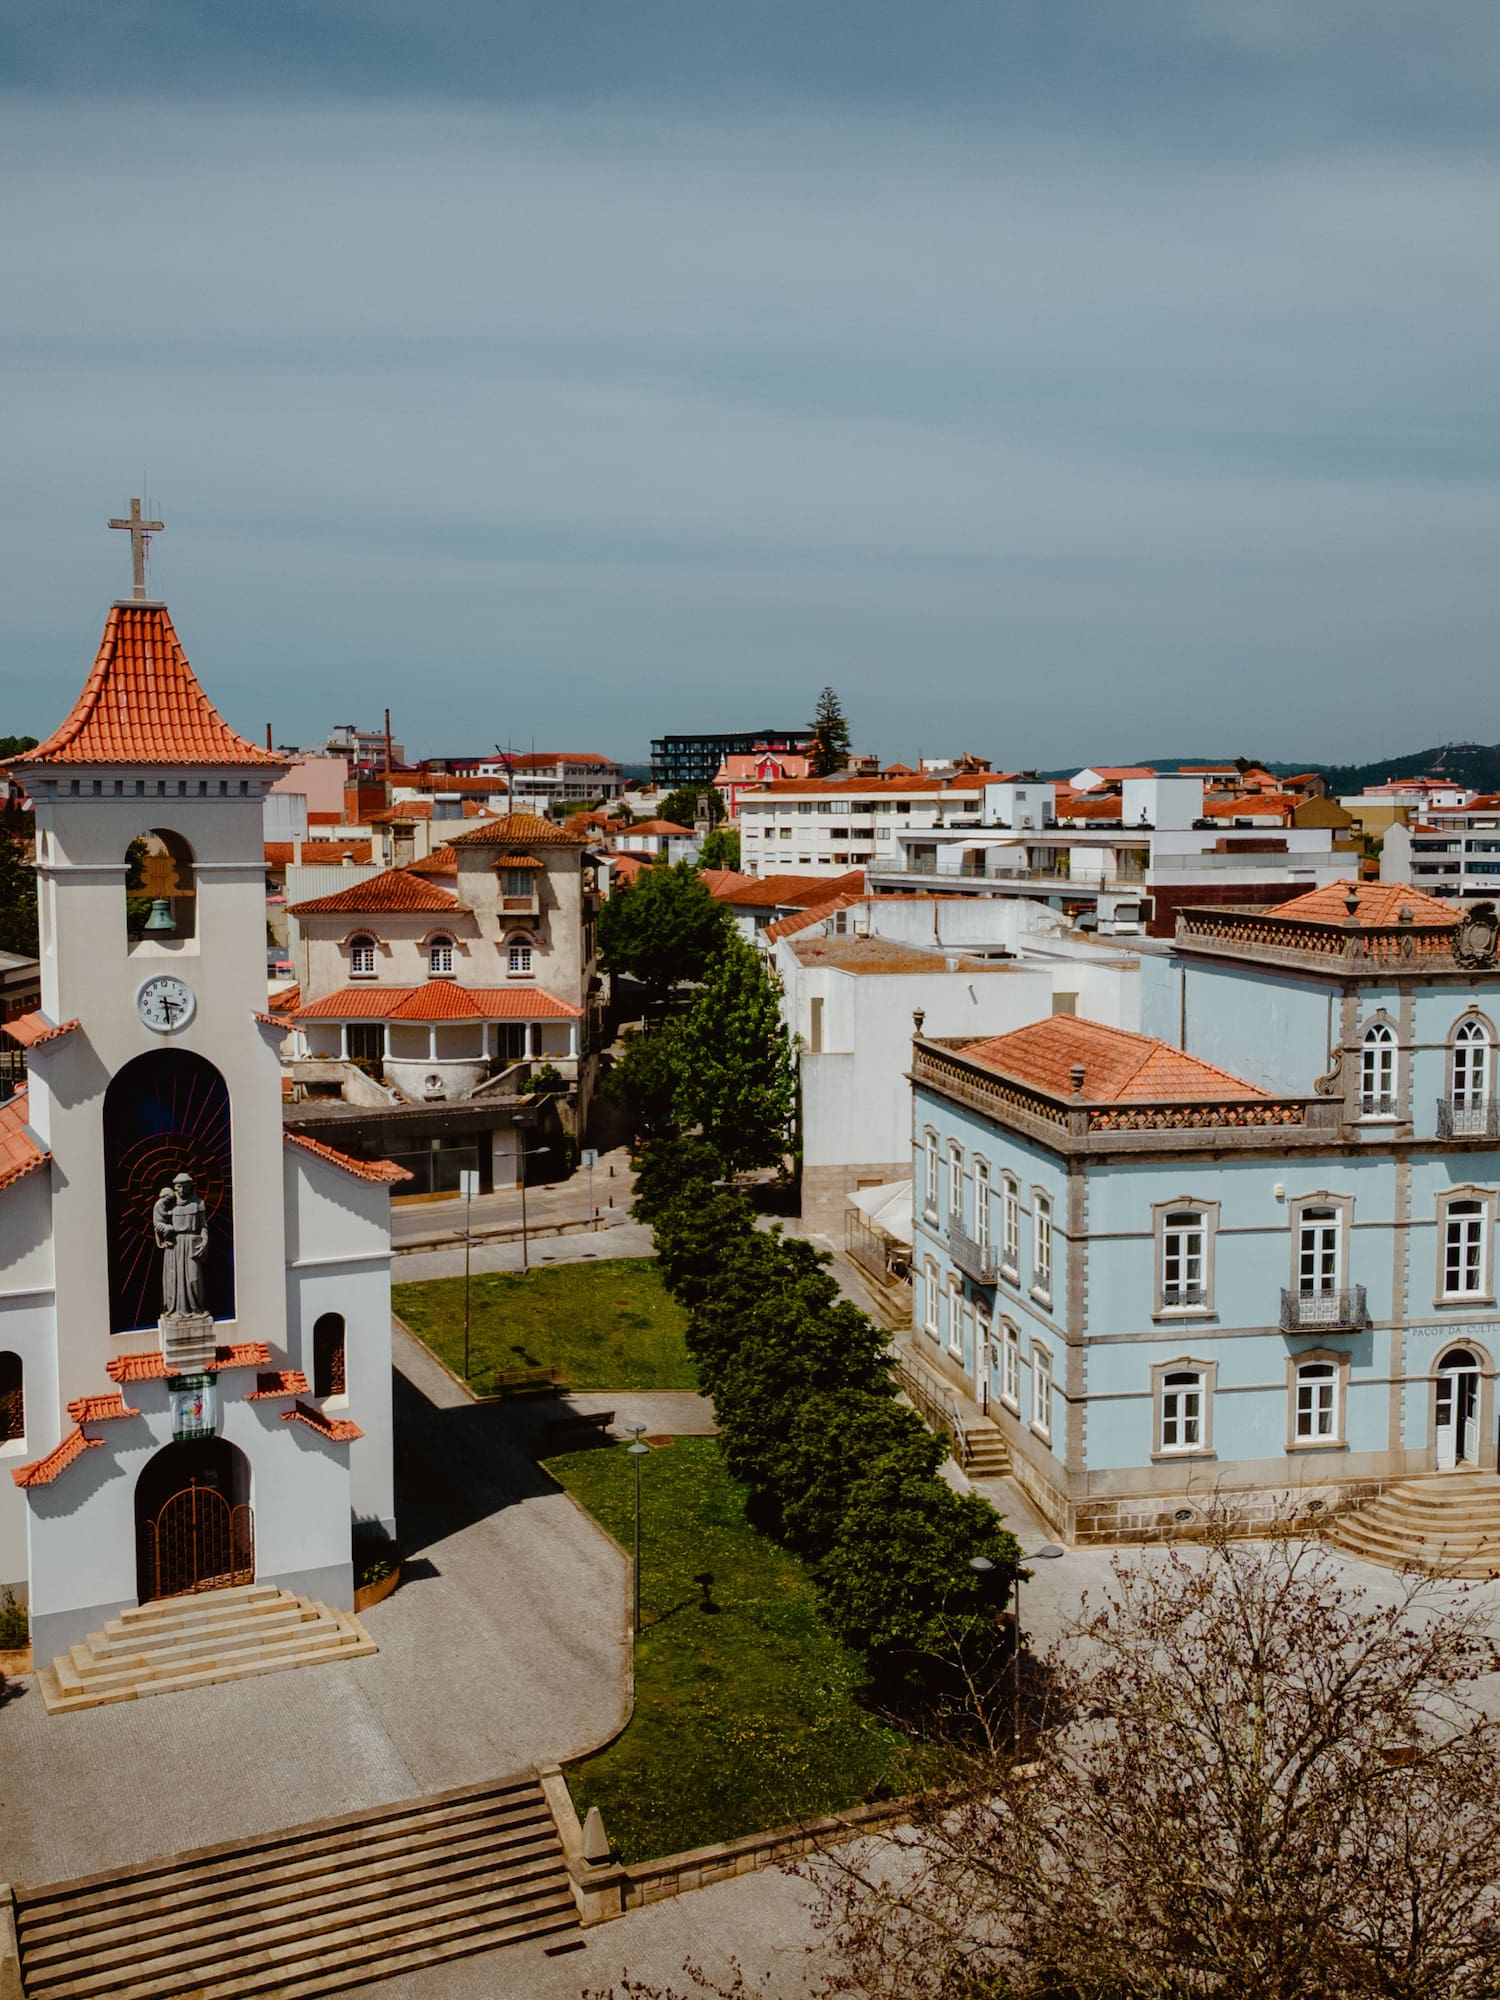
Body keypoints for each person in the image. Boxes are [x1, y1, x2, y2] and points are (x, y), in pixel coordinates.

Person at [157, 1170, 209, 1317]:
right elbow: (158, 1222)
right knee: (174, 1280)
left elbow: (203, 1226)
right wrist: (166, 1229)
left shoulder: (198, 1204)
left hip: (192, 1244)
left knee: (194, 1279)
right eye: (179, 1186)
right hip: (175, 1245)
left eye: (185, 1186)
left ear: (190, 1186)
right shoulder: (168, 1204)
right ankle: (177, 1310)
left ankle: (196, 1308)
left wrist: (205, 1240)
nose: (182, 1190)